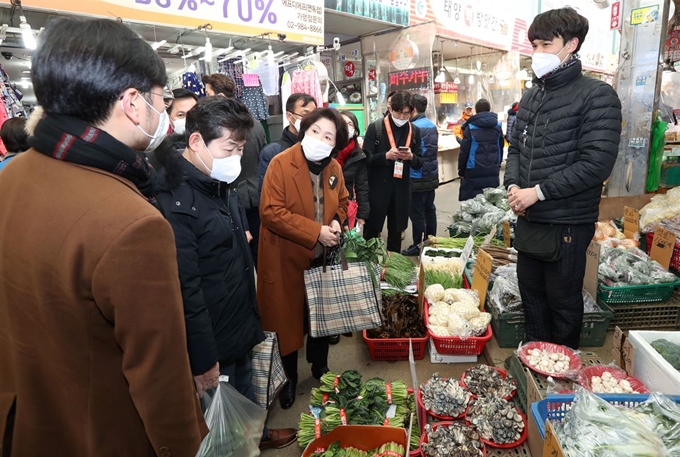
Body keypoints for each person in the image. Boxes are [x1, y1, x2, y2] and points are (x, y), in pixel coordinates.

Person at [0, 17, 207, 456]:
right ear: (132, 102)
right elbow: (160, 376)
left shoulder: (12, 176)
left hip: (28, 424)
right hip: (103, 435)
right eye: (160, 99)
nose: (164, 111)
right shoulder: (132, 223)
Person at [150, 97, 297, 450]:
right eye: (230, 147)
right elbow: (187, 289)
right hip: (212, 335)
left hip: (237, 318)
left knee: (244, 397)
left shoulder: (217, 180)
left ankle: (255, 436)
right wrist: (203, 360)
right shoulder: (175, 202)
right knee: (222, 423)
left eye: (241, 149)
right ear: (197, 141)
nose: (236, 158)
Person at [504, 7, 622, 349]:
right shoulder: (532, 96)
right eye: (534, 45)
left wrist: (537, 192)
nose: (537, 53)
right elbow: (515, 150)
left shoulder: (596, 95)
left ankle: (562, 370)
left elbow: (596, 163)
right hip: (530, 221)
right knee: (532, 300)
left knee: (564, 304)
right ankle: (536, 364)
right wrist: (513, 186)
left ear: (571, 44)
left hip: (568, 224)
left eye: (545, 44)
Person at [258, 108, 349, 410]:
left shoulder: (334, 168)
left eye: (327, 136)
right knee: (289, 320)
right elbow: (271, 212)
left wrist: (336, 220)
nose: (318, 139)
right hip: (285, 258)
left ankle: (319, 367)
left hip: (321, 259)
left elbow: (344, 201)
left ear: (335, 144)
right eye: (314, 131)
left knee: (320, 317)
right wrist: (315, 232)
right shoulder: (280, 164)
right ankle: (289, 378)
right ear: (303, 129)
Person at [203, 73, 265, 263]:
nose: (204, 97)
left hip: (233, 194)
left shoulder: (219, 129)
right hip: (257, 192)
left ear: (220, 97)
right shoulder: (256, 124)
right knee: (258, 249)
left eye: (207, 93)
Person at [363, 91, 423, 253]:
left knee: (396, 232)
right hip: (377, 189)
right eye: (399, 112)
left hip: (401, 190)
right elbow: (366, 160)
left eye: (407, 114)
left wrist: (411, 157)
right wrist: (386, 156)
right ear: (390, 109)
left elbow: (420, 163)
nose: (402, 118)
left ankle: (392, 267)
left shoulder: (415, 131)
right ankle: (368, 265)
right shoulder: (375, 128)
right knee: (371, 232)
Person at [258, 93, 317, 195]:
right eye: (305, 115)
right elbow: (267, 194)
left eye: (314, 116)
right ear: (289, 116)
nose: (310, 120)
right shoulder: (272, 152)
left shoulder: (319, 149)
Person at [403, 94, 438, 256]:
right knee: (429, 209)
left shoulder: (413, 127)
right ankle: (432, 242)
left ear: (414, 109)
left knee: (417, 213)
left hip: (416, 175)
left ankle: (418, 245)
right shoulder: (432, 126)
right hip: (431, 174)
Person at [458, 98, 504, 201]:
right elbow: (500, 147)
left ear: (477, 111)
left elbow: (464, 151)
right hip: (493, 167)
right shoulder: (497, 127)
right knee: (491, 201)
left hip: (473, 169)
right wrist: (498, 164)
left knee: (473, 203)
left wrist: (461, 170)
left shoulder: (470, 127)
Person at [337, 111, 370, 231]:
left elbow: (362, 186)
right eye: (342, 123)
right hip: (328, 207)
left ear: (355, 130)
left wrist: (362, 215)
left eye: (349, 123)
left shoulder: (358, 155)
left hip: (347, 205)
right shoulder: (328, 150)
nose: (345, 127)